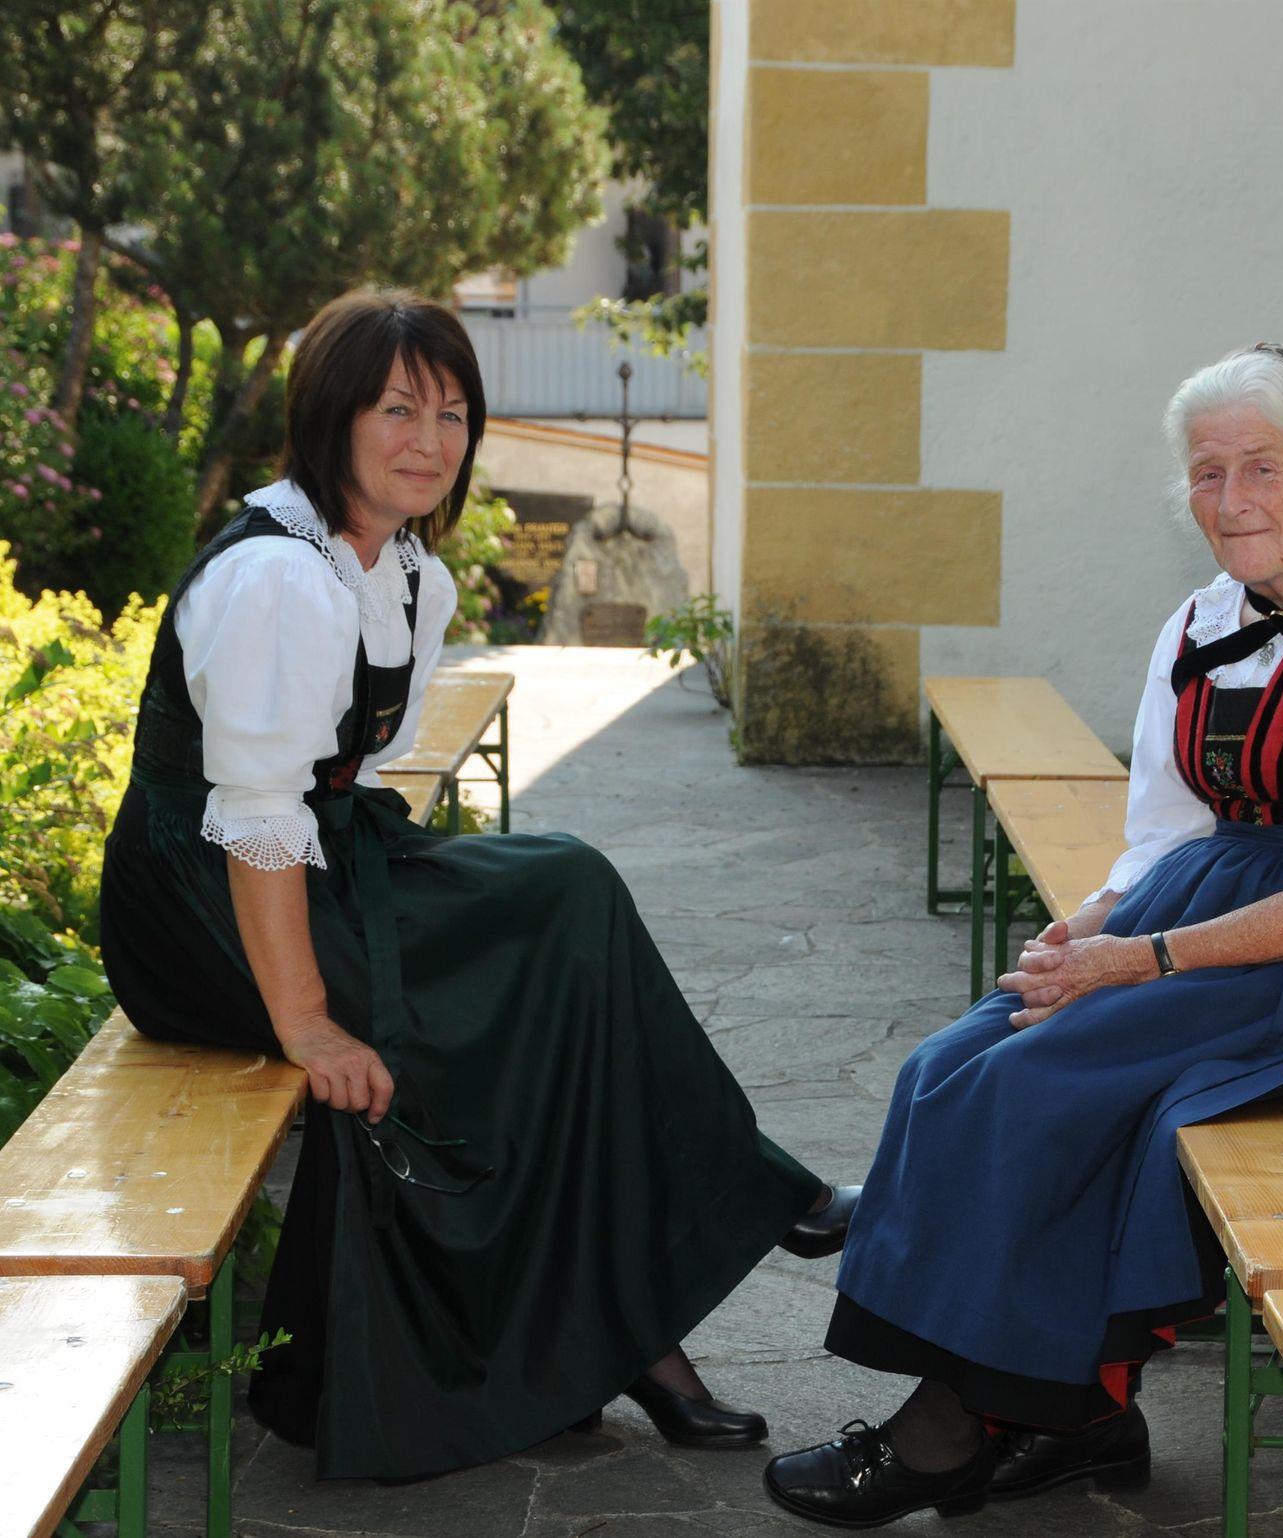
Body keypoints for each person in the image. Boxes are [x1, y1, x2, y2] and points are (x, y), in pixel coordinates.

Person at [99, 288, 858, 1481]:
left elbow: (337, 783)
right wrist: (309, 1024)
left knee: (568, 891)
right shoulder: (277, 578)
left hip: (307, 857)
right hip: (199, 906)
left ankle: (650, 1301)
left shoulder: (402, 569)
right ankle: (653, 1320)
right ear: (332, 416)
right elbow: (253, 816)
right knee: (504, 1005)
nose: (429, 440)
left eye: (452, 413)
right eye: (397, 409)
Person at [764, 344, 1283, 1527]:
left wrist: (1140, 959)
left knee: (1041, 1084)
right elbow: (1166, 831)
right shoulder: (1202, 619)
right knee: (950, 1062)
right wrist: (1091, 927)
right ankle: (1077, 1416)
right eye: (1206, 472)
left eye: (1260, 466)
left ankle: (952, 1428)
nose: (1230, 496)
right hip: (1219, 898)